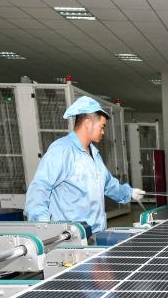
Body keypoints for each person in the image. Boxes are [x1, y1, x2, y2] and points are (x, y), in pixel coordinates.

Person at [25, 96, 143, 238]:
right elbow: (39, 188)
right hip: (70, 237)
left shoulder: (94, 154)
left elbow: (109, 184)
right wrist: (43, 226)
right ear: (87, 123)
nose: (103, 132)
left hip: (96, 233)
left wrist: (128, 193)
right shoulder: (62, 150)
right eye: (102, 126)